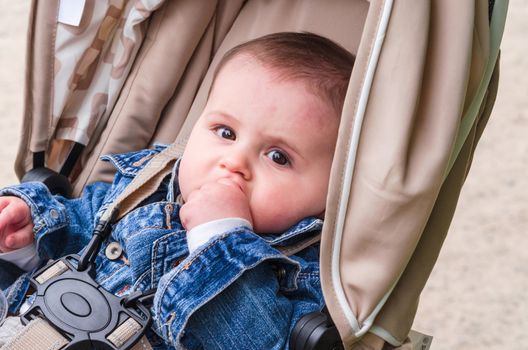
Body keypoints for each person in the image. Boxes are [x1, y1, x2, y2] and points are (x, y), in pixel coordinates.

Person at [0, 32, 358, 349]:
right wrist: (29, 235)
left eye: (278, 157)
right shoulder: (149, 182)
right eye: (225, 132)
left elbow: (262, 340)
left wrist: (219, 239)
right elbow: (84, 224)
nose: (234, 162)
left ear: (330, 193)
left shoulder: (305, 271)